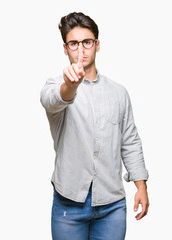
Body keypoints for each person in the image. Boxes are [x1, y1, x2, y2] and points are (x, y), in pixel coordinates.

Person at [40, 12, 149, 240]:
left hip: (111, 206)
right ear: (65, 48)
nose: (81, 50)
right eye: (73, 43)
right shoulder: (55, 86)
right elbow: (54, 99)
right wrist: (70, 85)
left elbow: (129, 140)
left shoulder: (119, 92)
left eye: (87, 42)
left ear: (97, 45)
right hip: (68, 205)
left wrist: (141, 185)